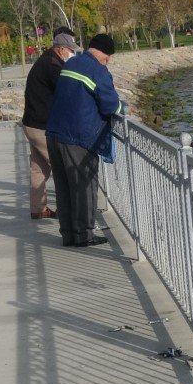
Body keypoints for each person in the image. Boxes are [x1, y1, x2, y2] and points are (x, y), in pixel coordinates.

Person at [45, 33, 124, 247]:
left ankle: (68, 234)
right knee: (84, 186)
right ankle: (84, 235)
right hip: (78, 137)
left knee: (63, 186)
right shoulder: (98, 70)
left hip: (54, 133)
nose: (108, 61)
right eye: (109, 57)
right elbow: (110, 105)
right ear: (104, 54)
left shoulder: (71, 64)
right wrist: (122, 107)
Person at [21, 28, 78, 219]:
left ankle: (38, 209)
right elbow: (66, 92)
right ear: (61, 49)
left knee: (39, 168)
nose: (72, 53)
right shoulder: (53, 66)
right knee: (62, 167)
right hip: (41, 126)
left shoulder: (46, 60)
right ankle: (67, 210)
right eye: (71, 50)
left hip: (31, 123)